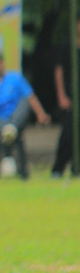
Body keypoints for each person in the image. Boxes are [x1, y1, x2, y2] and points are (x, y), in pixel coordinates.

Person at [0, 50, 50, 180]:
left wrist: (41, 114)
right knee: (7, 131)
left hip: (15, 119)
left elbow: (30, 97)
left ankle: (11, 129)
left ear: (2, 63)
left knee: (22, 106)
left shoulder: (15, 79)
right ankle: (11, 171)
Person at [51, 17, 80, 178]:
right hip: (70, 97)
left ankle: (77, 169)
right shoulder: (67, 45)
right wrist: (62, 95)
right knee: (68, 133)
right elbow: (59, 71)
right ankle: (58, 168)